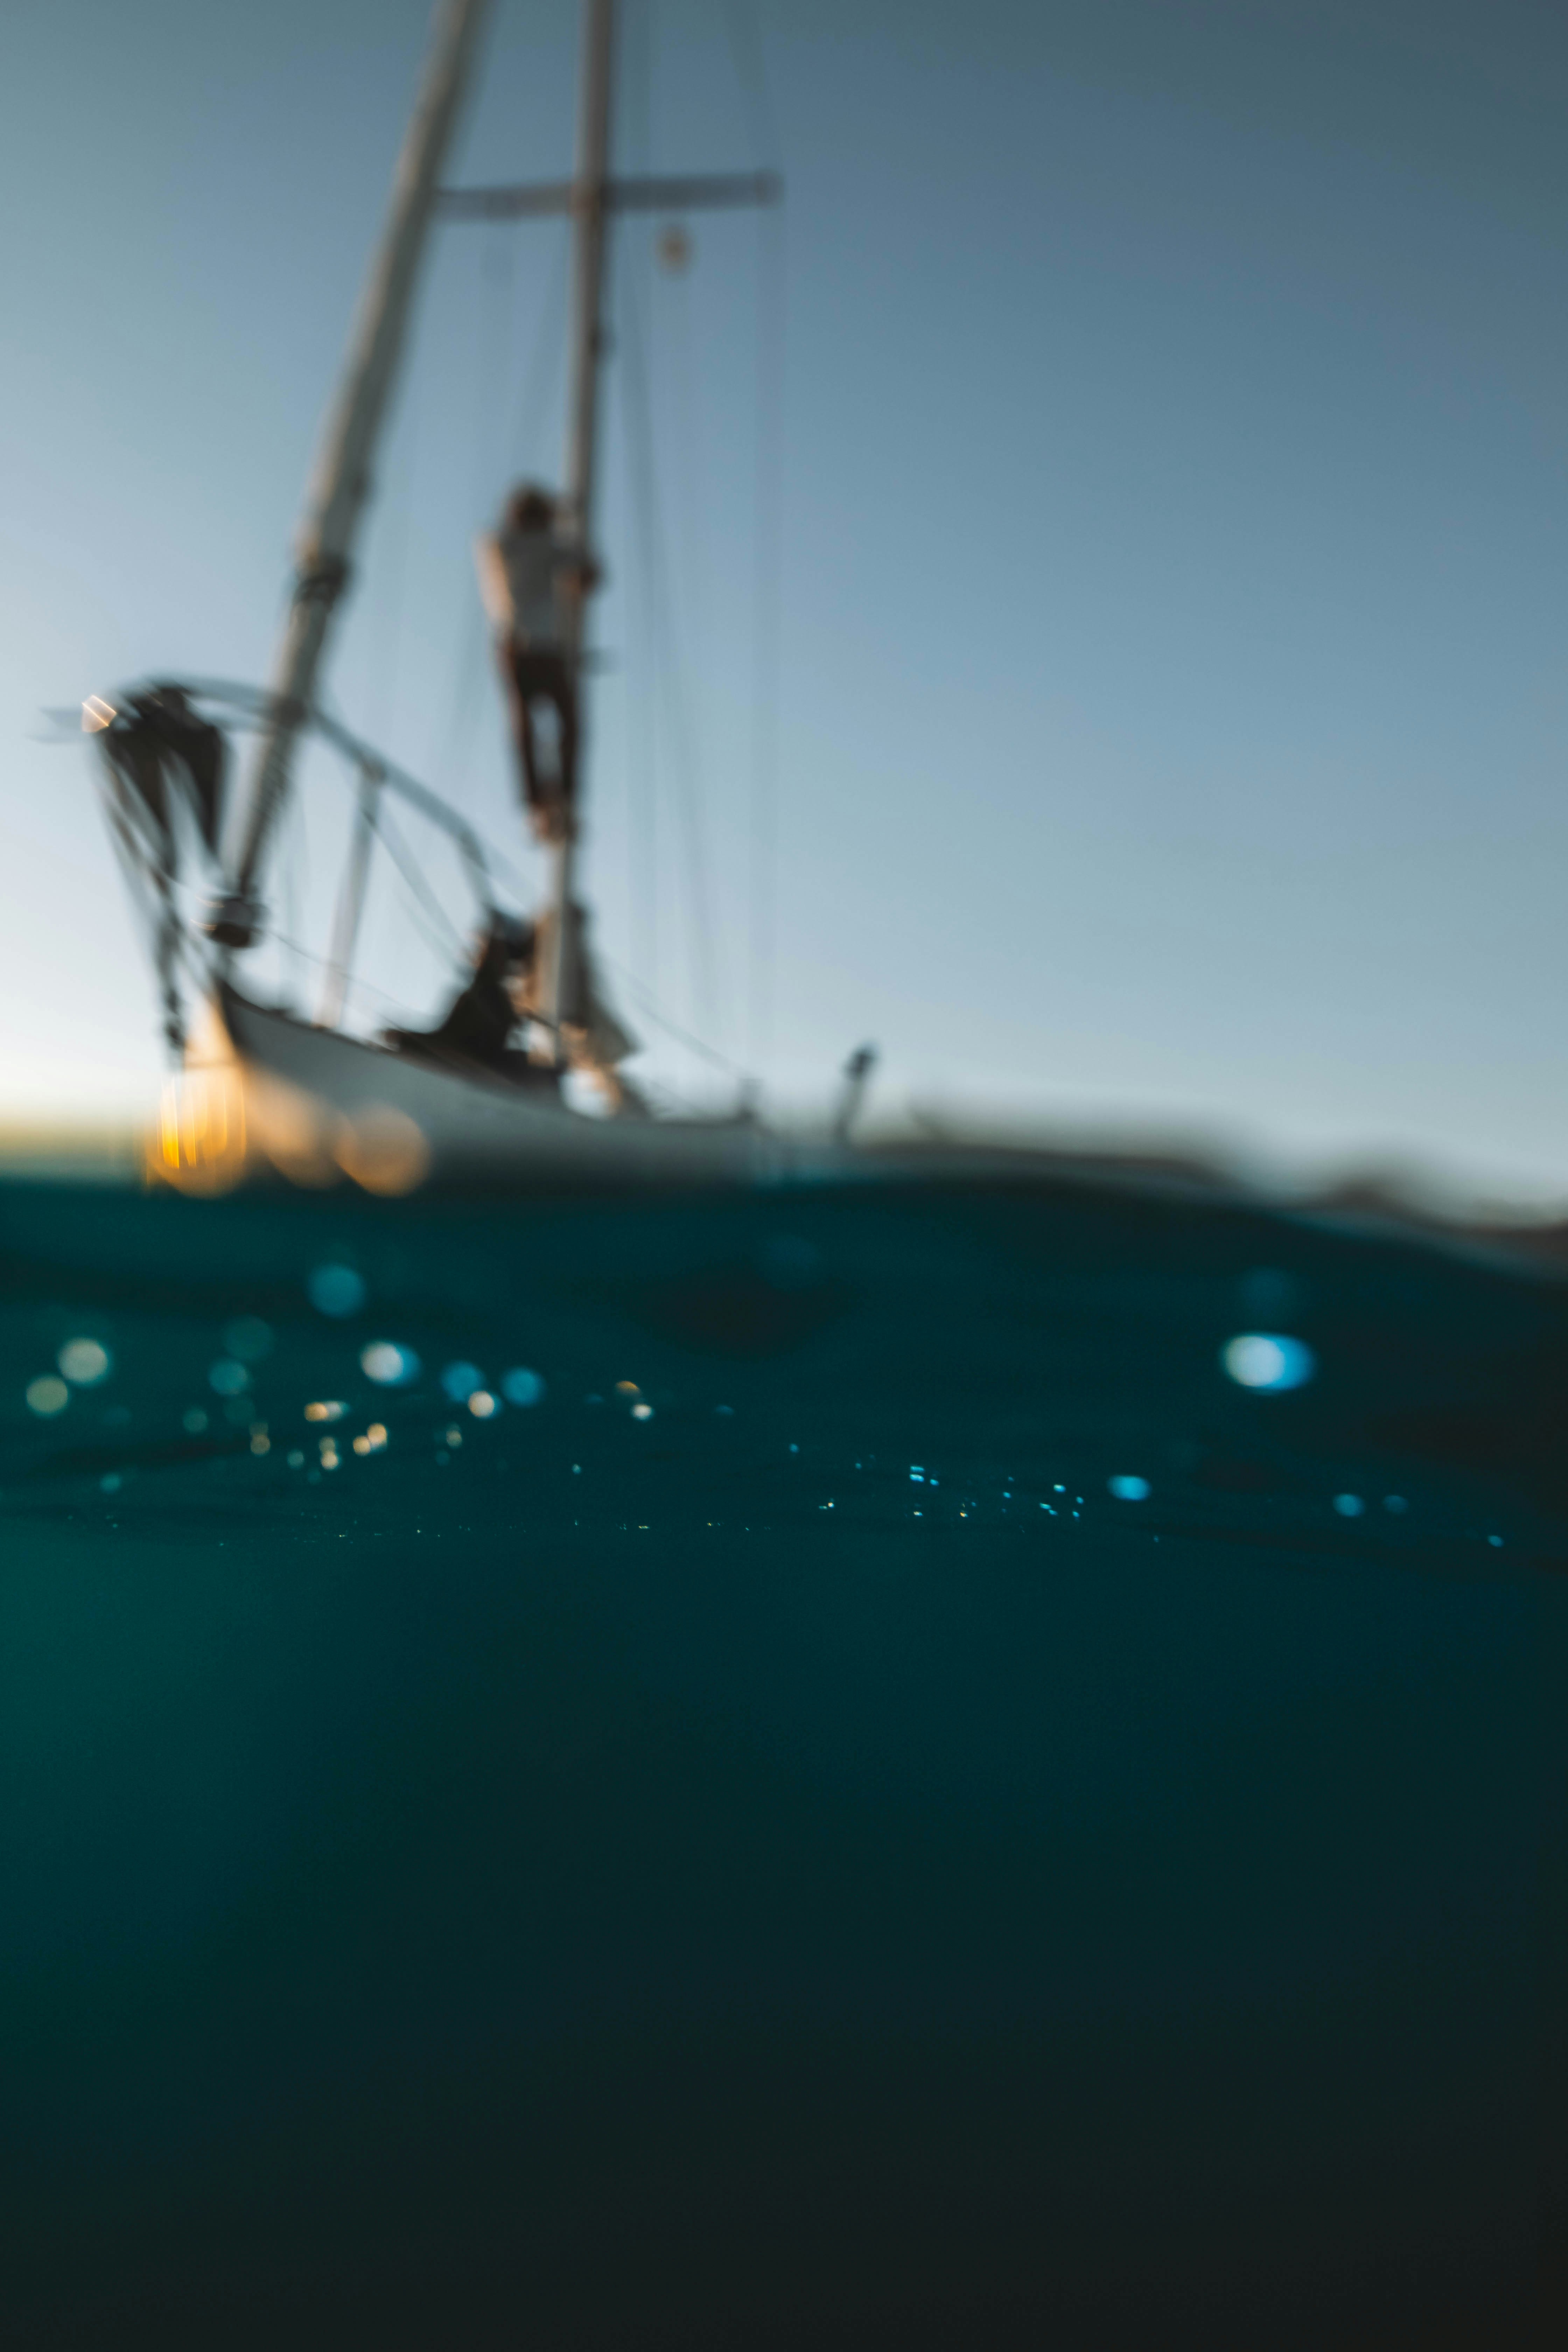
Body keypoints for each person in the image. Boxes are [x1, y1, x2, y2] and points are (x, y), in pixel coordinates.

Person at [475, 485, 596, 845]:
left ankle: (537, 807)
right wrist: (569, 526)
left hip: (510, 646)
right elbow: (588, 574)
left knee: (523, 725)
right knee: (569, 724)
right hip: (544, 647)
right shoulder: (548, 545)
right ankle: (564, 799)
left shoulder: (497, 543)